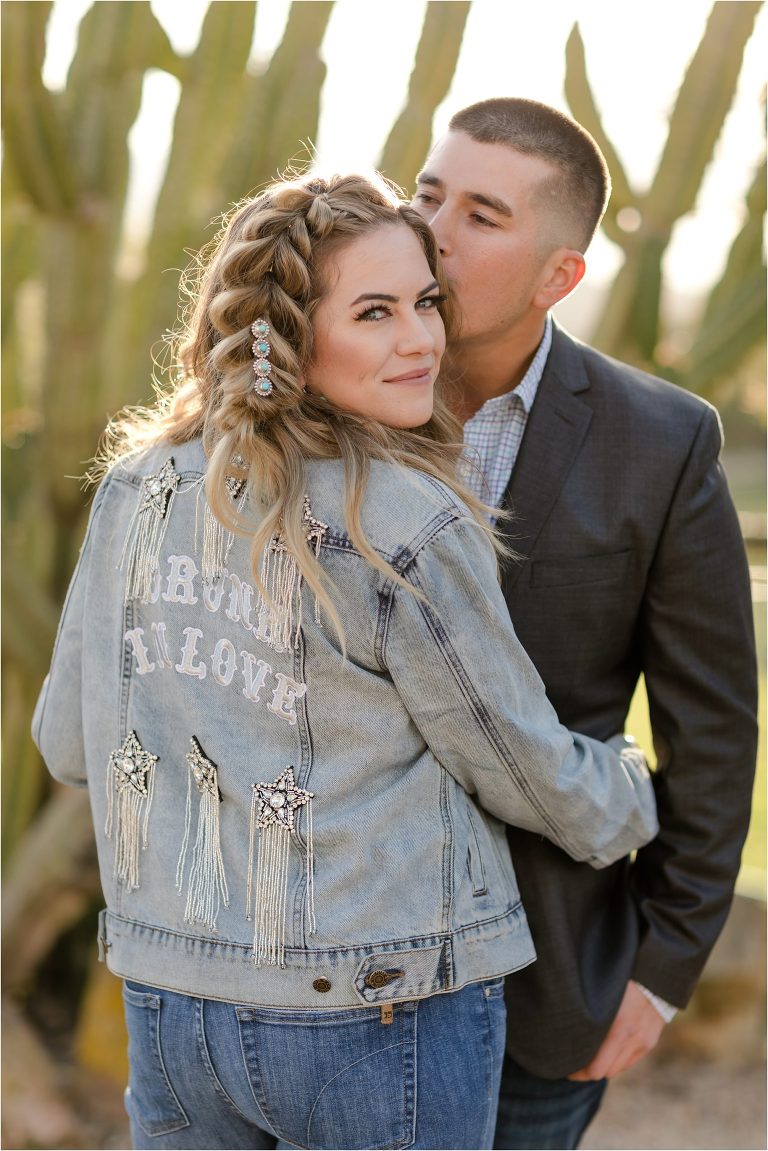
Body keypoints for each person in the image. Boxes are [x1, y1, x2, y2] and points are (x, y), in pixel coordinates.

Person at [32, 172, 658, 1151]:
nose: (421, 340)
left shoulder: (136, 490)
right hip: (378, 1008)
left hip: (178, 1005)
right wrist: (631, 787)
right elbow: (523, 764)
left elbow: (69, 739)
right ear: (282, 336)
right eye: (375, 312)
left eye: (425, 303)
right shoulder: (400, 518)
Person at [411, 97, 758, 1150]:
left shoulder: (662, 442)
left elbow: (713, 728)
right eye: (426, 193)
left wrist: (661, 971)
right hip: (312, 976)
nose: (433, 231)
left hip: (546, 981)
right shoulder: (321, 407)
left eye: (481, 213)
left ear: (560, 274)